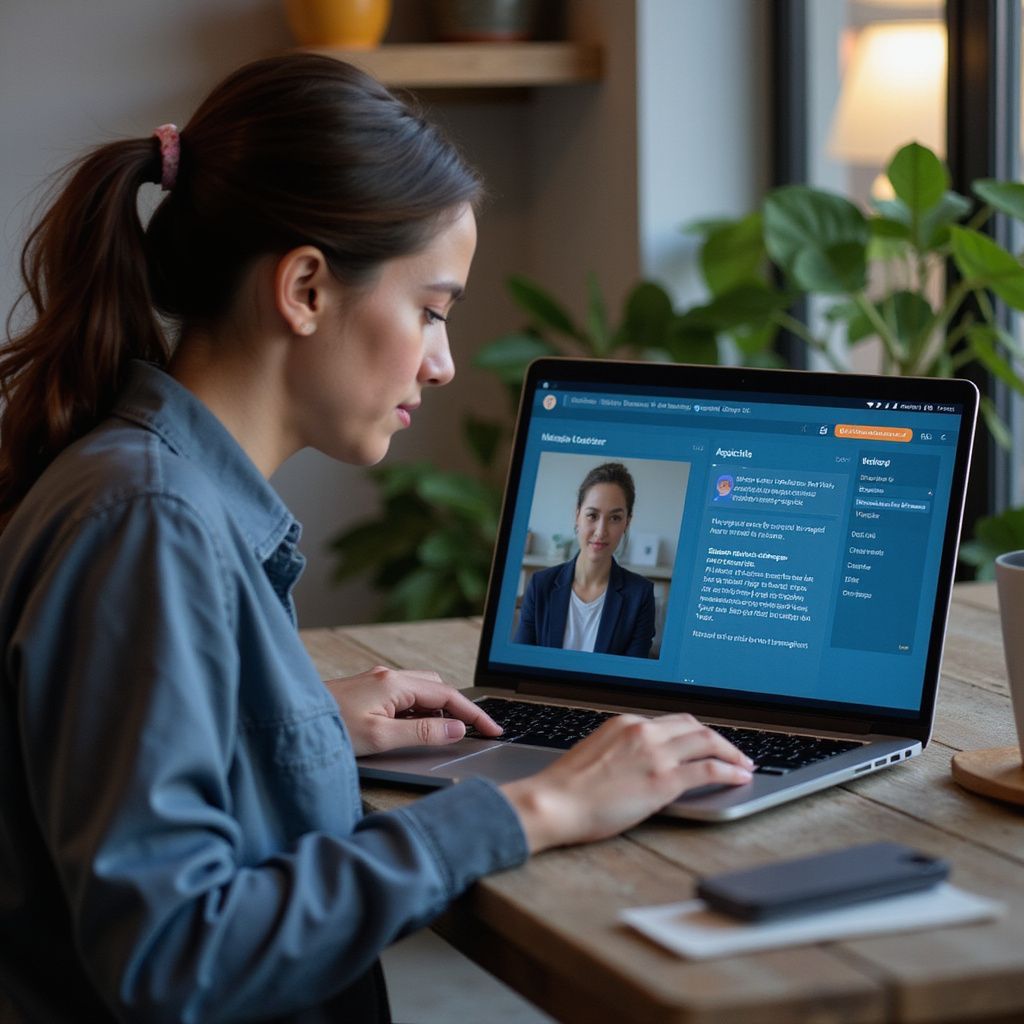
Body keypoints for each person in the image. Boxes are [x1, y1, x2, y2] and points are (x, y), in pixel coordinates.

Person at [0, 55, 753, 1023]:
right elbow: (172, 954)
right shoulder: (151, 520)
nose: (441, 363)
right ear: (307, 287)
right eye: (431, 311)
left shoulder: (149, 484)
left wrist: (288, 722)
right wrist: (534, 807)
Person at [515, 462, 656, 657]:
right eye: (592, 515)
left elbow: (630, 680)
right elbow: (522, 664)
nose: (600, 531)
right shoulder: (540, 585)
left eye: (614, 518)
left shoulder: (640, 595)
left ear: (627, 522)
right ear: (577, 515)